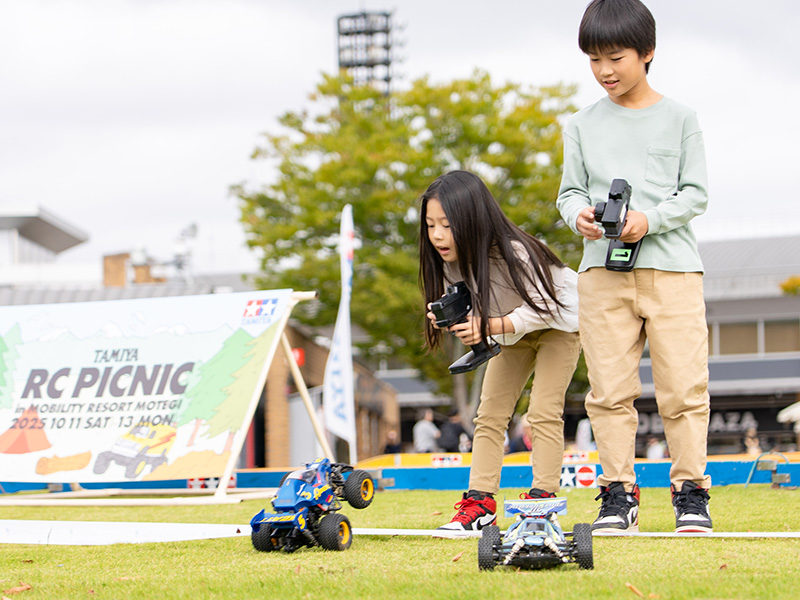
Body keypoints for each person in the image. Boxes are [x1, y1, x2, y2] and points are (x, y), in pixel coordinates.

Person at [556, 0, 712, 534]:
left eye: (615, 56)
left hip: (673, 270)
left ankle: (691, 492)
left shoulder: (681, 118)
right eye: (594, 59)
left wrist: (650, 219)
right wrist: (577, 214)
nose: (604, 70)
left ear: (647, 54)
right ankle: (617, 496)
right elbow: (569, 192)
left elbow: (696, 195)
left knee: (684, 389)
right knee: (607, 393)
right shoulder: (579, 125)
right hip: (601, 272)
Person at [418, 170, 581, 535]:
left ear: (472, 219)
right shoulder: (449, 262)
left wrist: (488, 325)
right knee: (488, 415)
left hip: (559, 327)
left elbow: (548, 308)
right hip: (512, 335)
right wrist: (451, 317)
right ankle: (480, 506)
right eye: (430, 225)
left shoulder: (517, 253)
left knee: (541, 411)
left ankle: (542, 503)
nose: (438, 235)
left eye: (447, 224)